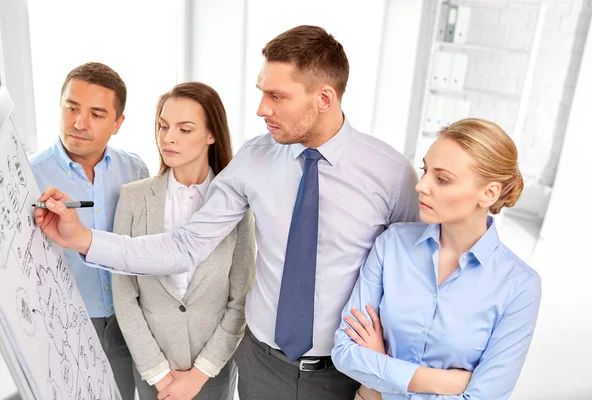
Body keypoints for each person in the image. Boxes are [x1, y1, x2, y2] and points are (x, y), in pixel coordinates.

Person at [34, 25, 420, 400]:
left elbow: (408, 282)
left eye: (277, 96)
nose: (260, 108)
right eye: (260, 92)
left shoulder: (390, 173)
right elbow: (184, 246)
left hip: (345, 372)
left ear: (324, 97)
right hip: (260, 366)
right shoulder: (255, 158)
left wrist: (382, 377)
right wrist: (83, 239)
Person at [331, 118, 542, 400]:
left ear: (488, 193)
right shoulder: (392, 244)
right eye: (425, 170)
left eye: (442, 179)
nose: (422, 186)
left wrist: (383, 372)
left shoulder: (519, 286)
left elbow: (483, 397)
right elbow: (345, 352)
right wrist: (443, 382)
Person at [111, 82, 255, 400]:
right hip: (152, 370)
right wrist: (161, 376)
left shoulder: (239, 207)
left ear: (211, 134)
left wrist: (201, 373)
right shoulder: (133, 198)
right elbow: (124, 295)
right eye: (163, 126)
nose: (168, 137)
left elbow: (240, 299)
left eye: (184, 129)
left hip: (212, 372)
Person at [29, 62, 147, 400]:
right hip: (66, 325)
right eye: (71, 108)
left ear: (117, 123)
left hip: (128, 318)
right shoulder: (30, 176)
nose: (79, 123)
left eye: (96, 113)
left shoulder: (134, 168)